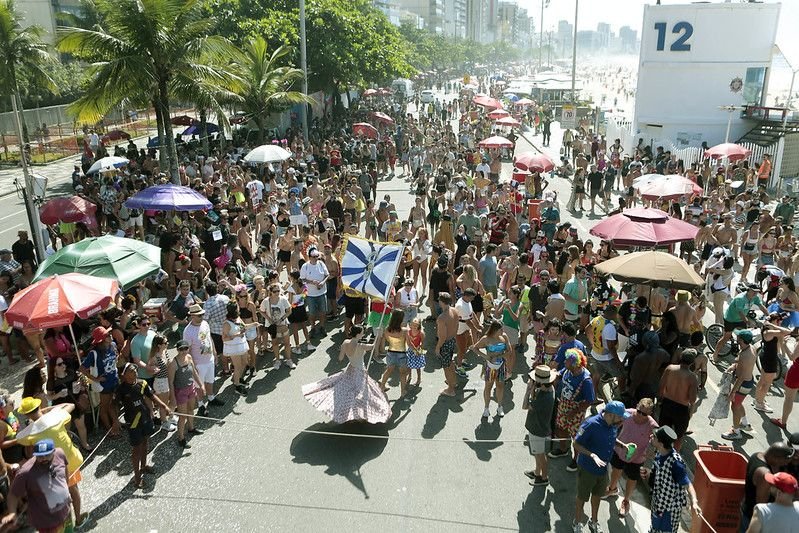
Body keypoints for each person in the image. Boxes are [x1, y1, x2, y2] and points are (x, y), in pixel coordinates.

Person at [14, 399, 87, 527]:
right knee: (74, 491)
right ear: (39, 406)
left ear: (26, 414)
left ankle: (65, 525)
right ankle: (78, 520)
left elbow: (19, 438)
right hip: (71, 460)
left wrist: (32, 421)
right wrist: (47, 409)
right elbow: (70, 405)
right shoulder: (56, 416)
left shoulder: (30, 431)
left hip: (51, 468)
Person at [302, 325, 391, 424]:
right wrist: (378, 334)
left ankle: (352, 415)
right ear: (358, 334)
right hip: (360, 371)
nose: (363, 334)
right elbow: (374, 345)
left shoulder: (345, 343)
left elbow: (340, 358)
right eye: (362, 333)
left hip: (350, 369)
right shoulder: (361, 346)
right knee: (362, 394)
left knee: (350, 393)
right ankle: (360, 414)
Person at [572, 400, 630, 533]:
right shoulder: (590, 424)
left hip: (603, 469)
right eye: (620, 417)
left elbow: (611, 438)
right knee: (582, 497)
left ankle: (594, 522)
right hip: (587, 469)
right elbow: (576, 444)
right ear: (610, 415)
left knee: (597, 495)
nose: (622, 420)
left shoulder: (613, 424)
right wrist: (592, 455)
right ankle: (577, 522)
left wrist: (622, 445)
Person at [115, 362, 172, 487]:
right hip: (133, 422)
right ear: (124, 375)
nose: (135, 372)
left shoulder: (142, 383)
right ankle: (136, 477)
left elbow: (151, 396)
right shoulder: (121, 389)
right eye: (131, 370)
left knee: (146, 442)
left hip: (145, 417)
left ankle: (144, 465)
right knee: (136, 449)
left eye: (135, 370)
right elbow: (113, 407)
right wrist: (115, 422)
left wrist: (163, 406)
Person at [2, 439, 72, 531]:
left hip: (66, 513)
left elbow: (65, 471)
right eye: (40, 456)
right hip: (48, 523)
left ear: (53, 451)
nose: (43, 459)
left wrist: (66, 492)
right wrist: (12, 513)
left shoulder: (60, 454)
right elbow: (13, 494)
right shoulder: (25, 472)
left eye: (47, 455)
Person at [641, 426, 701, 533]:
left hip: (668, 511)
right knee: (655, 527)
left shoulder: (676, 463)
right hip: (658, 503)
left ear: (661, 442)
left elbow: (687, 484)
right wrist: (649, 474)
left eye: (654, 436)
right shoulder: (660, 452)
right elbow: (660, 475)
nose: (651, 436)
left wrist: (694, 502)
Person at [605, 398, 658, 517]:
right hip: (620, 450)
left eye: (644, 414)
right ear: (636, 407)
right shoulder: (627, 414)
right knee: (616, 470)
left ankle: (626, 501)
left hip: (637, 457)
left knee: (632, 478)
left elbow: (658, 442)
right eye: (639, 411)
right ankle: (612, 489)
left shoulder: (652, 425)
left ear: (649, 414)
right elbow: (613, 421)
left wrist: (651, 452)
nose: (640, 415)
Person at [740, 443, 796, 532]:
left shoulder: (757, 455)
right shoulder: (765, 476)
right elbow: (762, 505)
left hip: (746, 507)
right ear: (776, 458)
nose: (786, 464)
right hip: (753, 518)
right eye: (785, 461)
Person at [79, 326, 121, 436]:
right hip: (104, 385)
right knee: (105, 407)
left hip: (115, 380)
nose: (110, 335)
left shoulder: (113, 345)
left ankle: (115, 424)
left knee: (114, 404)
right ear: (102, 339)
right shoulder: (94, 353)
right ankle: (109, 430)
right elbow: (82, 368)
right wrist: (95, 379)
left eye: (109, 333)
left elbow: (115, 359)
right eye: (107, 335)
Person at [711, 283, 768, 363]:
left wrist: (769, 316)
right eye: (754, 291)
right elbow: (741, 314)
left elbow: (761, 306)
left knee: (744, 338)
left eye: (757, 292)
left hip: (740, 320)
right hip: (730, 319)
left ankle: (738, 353)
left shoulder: (755, 297)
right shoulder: (740, 298)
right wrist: (748, 323)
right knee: (726, 337)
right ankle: (714, 355)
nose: (756, 293)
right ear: (749, 290)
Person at [658, 348, 699, 450]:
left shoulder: (670, 368)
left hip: (667, 404)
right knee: (678, 436)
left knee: (663, 432)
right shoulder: (692, 377)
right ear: (692, 362)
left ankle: (659, 451)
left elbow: (661, 388)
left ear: (681, 357)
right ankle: (674, 454)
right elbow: (692, 399)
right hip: (681, 409)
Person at [523, 365, 557, 487]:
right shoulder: (549, 390)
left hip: (538, 429)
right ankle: (537, 472)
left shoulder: (543, 399)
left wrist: (528, 391)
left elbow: (525, 406)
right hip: (538, 426)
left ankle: (543, 477)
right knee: (537, 453)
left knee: (540, 454)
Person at [470, 320, 511, 418]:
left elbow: (509, 350)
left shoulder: (504, 337)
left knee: (500, 386)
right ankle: (486, 408)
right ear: (495, 330)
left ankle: (500, 407)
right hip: (490, 367)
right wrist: (485, 356)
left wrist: (500, 355)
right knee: (488, 387)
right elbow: (475, 348)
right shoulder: (486, 339)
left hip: (501, 365)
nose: (503, 331)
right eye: (501, 329)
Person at [168, 340, 205, 449]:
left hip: (191, 388)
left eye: (185, 348)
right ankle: (181, 437)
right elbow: (170, 382)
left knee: (191, 409)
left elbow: (194, 372)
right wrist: (173, 398)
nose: (183, 351)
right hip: (180, 391)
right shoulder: (173, 364)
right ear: (177, 350)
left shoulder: (189, 357)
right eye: (181, 349)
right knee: (182, 415)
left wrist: (201, 385)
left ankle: (191, 428)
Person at [723, 329, 757, 441]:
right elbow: (740, 361)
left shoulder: (745, 355)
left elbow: (741, 377)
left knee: (735, 406)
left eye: (738, 337)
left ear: (741, 340)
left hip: (743, 384)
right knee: (739, 403)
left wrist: (732, 392)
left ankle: (736, 432)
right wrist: (734, 366)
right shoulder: (750, 348)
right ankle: (745, 424)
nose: (736, 337)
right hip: (748, 382)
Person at [380, 310, 410, 398]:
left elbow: (387, 340)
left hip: (390, 352)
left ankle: (382, 386)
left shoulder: (386, 329)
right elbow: (408, 343)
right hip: (401, 354)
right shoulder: (405, 331)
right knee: (403, 374)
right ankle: (403, 391)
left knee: (388, 370)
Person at [300, 248, 330, 335]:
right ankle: (313, 327)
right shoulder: (305, 266)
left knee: (323, 311)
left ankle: (322, 326)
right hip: (310, 294)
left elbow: (327, 275)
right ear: (309, 257)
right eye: (314, 257)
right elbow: (302, 279)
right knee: (312, 313)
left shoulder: (321, 264)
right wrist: (312, 282)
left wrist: (322, 283)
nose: (316, 258)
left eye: (317, 256)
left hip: (322, 292)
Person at [223, 303, 251, 395]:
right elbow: (224, 338)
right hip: (233, 348)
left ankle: (237, 378)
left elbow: (244, 327)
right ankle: (237, 385)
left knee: (244, 363)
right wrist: (237, 335)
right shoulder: (227, 323)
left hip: (242, 344)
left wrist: (254, 324)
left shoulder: (238, 318)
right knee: (238, 366)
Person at [435, 292, 459, 397]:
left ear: (441, 302)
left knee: (446, 367)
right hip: (452, 340)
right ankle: (453, 382)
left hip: (445, 343)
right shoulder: (454, 310)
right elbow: (457, 326)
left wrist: (437, 348)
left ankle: (450, 389)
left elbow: (442, 337)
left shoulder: (442, 318)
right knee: (450, 362)